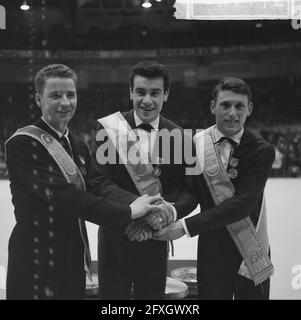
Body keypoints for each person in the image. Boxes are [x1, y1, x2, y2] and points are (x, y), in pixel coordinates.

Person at [4, 64, 161, 300]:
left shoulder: (78, 145)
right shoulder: (24, 143)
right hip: (36, 256)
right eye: (55, 95)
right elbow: (64, 195)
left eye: (71, 94)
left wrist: (136, 219)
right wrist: (129, 211)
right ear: (38, 99)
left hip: (73, 254)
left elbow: (96, 188)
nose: (65, 102)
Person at [154, 77, 275, 300]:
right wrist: (170, 213)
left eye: (239, 106)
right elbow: (191, 193)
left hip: (250, 249)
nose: (232, 113)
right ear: (213, 107)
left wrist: (184, 227)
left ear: (249, 109)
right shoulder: (196, 144)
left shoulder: (262, 150)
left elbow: (242, 205)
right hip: (212, 251)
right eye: (225, 105)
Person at [88, 60, 197, 300]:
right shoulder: (107, 129)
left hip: (156, 239)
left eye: (155, 93)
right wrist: (138, 211)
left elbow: (189, 192)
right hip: (116, 236)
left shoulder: (180, 136)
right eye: (140, 92)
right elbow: (98, 183)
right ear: (130, 92)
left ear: (166, 94)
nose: (147, 100)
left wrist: (168, 212)